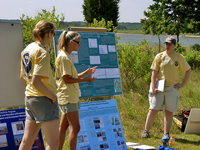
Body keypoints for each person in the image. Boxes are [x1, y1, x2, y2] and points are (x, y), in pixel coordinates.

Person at [19, 20, 59, 150]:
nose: (53, 37)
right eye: (53, 33)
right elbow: (36, 80)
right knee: (53, 144)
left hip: (30, 99)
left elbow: (22, 77)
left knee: (26, 141)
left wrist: (32, 91)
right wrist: (52, 96)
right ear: (48, 34)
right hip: (44, 100)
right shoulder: (42, 52)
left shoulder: (27, 49)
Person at [141, 36, 191, 139]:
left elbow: (188, 70)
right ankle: (146, 131)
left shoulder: (179, 57)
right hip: (159, 87)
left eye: (169, 44)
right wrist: (153, 87)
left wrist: (182, 84)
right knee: (153, 109)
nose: (167, 46)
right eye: (166, 44)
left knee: (169, 111)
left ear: (174, 45)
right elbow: (154, 73)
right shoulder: (159, 56)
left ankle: (166, 134)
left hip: (173, 88)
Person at [55, 31, 97, 150]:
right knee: (76, 128)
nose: (79, 45)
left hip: (69, 96)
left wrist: (86, 73)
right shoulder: (64, 57)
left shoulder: (65, 56)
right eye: (78, 42)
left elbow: (70, 77)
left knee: (63, 127)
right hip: (68, 97)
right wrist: (86, 80)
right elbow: (67, 80)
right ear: (70, 42)